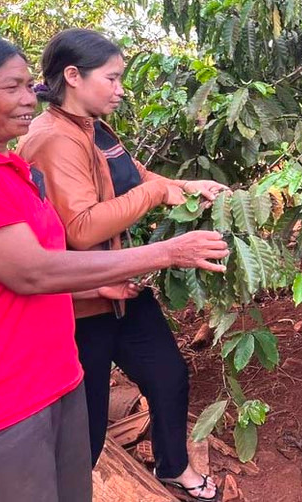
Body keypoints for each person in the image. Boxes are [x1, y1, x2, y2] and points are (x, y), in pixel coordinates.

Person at [0, 28, 229, 502]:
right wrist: (169, 250)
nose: (30, 97)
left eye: (29, 84)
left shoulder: (12, 169)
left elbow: (8, 276)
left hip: (51, 382)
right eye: (12, 87)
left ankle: (173, 466)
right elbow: (34, 269)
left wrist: (91, 287)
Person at [17, 29, 228, 501]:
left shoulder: (91, 127)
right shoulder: (53, 139)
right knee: (87, 424)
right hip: (79, 303)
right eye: (111, 78)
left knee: (168, 375)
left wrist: (184, 186)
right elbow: (82, 227)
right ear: (74, 76)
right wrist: (154, 194)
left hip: (122, 285)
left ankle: (173, 466)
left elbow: (132, 176)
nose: (120, 89)